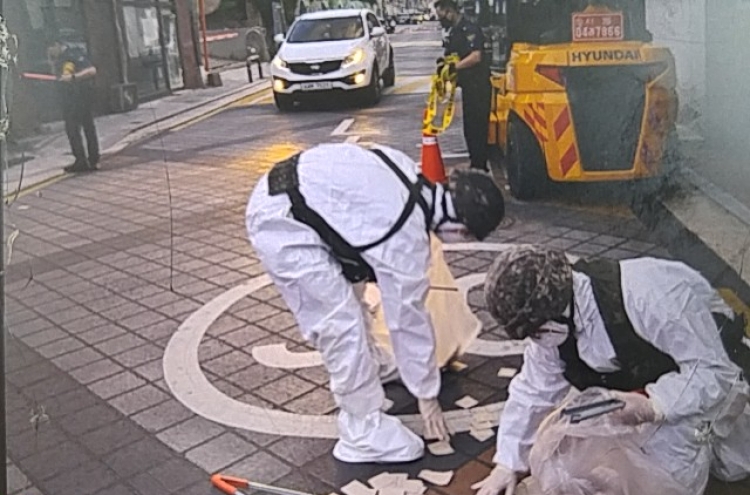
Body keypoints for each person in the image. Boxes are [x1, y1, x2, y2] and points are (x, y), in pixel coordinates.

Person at [246, 143, 505, 463]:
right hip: (283, 224)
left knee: (352, 296)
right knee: (340, 324)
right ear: (461, 228)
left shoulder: (406, 172)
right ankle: (361, 430)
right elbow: (407, 320)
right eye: (467, 238)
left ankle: (372, 365)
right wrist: (427, 396)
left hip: (294, 197)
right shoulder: (406, 237)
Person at [474, 245, 750, 495]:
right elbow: (533, 390)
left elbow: (713, 371)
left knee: (668, 475)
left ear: (558, 308)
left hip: (710, 380)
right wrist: (507, 463)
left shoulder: (649, 294)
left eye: (537, 331)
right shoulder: (553, 326)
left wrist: (655, 405)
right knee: (569, 449)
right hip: (640, 386)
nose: (537, 340)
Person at [434, 0, 491, 172]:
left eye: (441, 14)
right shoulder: (454, 32)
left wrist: (454, 67)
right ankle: (475, 162)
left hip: (479, 86)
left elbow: (476, 56)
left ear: (449, 11)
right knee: (469, 128)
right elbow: (453, 55)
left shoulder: (470, 29)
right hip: (468, 87)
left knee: (478, 127)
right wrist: (444, 64)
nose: (440, 19)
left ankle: (480, 166)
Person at [47, 38, 100, 173]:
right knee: (75, 130)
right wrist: (52, 62)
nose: (50, 52)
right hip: (69, 100)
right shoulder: (60, 59)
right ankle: (83, 159)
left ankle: (89, 159)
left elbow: (91, 70)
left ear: (57, 45)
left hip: (79, 97)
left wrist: (74, 77)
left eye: (50, 49)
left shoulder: (72, 55)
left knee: (80, 128)